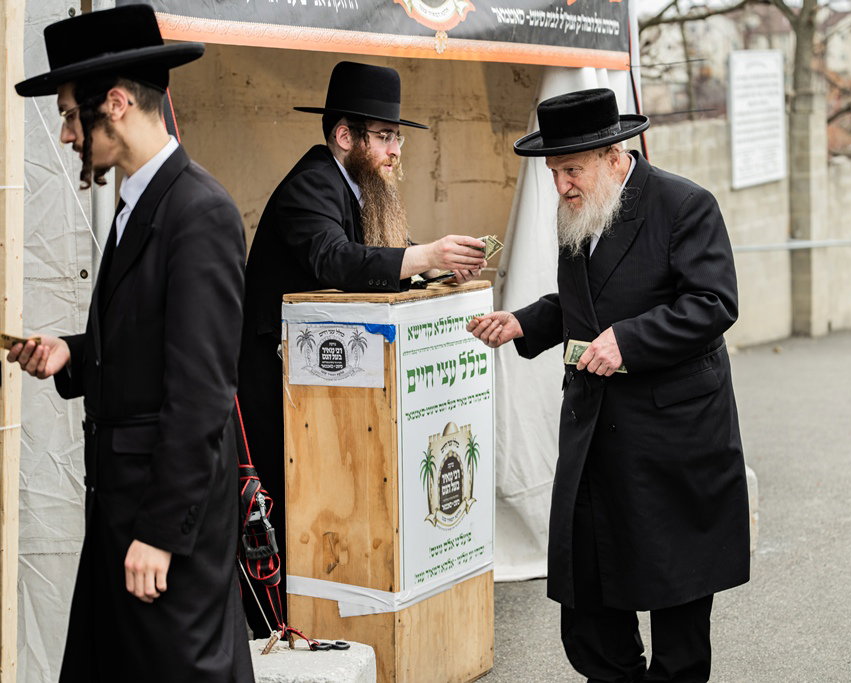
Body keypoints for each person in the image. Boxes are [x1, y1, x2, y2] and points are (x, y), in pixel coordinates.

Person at [7, 5, 254, 681]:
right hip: (123, 515)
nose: (65, 135)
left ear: (114, 103)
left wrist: (159, 534)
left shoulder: (198, 211)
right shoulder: (138, 201)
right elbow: (151, 336)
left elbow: (202, 392)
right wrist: (73, 353)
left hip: (164, 529)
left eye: (69, 115)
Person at [468, 88, 750, 682]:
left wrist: (631, 340)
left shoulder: (684, 205)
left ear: (614, 155)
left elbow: (713, 302)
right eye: (554, 172)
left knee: (676, 605)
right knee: (589, 605)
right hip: (597, 434)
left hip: (672, 439)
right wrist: (525, 321)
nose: (562, 184)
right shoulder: (582, 210)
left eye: (572, 169)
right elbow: (585, 304)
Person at [238, 60, 487, 635]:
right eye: (383, 137)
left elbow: (379, 255)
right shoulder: (312, 184)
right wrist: (422, 258)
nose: (395, 151)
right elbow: (334, 259)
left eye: (397, 137)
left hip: (322, 386)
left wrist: (431, 270)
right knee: (284, 513)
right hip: (279, 390)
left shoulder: (357, 184)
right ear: (344, 136)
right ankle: (275, 632)